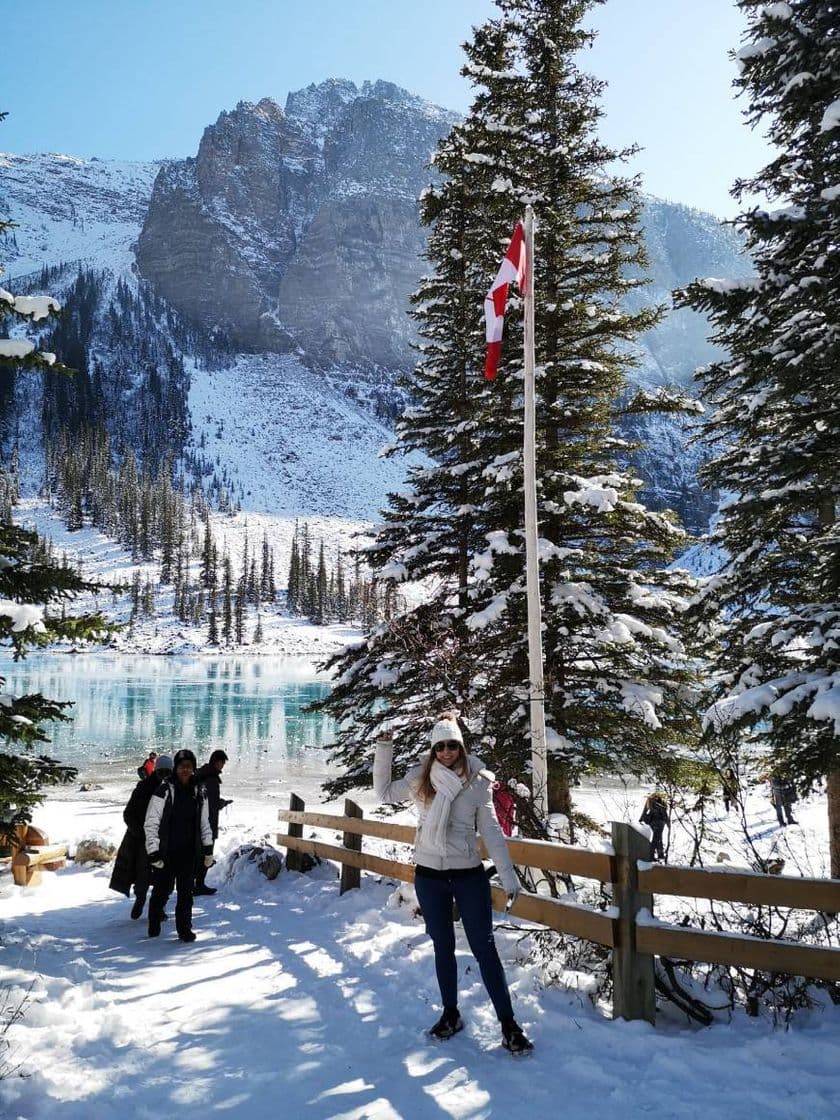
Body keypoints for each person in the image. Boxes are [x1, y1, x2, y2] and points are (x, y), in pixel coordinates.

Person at [374, 715, 533, 1055]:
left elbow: (491, 832)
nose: (446, 752)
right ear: (433, 750)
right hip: (430, 877)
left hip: (467, 876)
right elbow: (384, 792)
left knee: (484, 948)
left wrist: (507, 875)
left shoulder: (477, 783)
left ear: (461, 747)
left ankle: (508, 1024)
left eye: (452, 745)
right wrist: (384, 747)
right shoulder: (420, 780)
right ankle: (450, 1014)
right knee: (442, 946)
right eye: (440, 746)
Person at [144, 748, 214, 942]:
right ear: (176, 768)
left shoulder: (200, 790)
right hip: (167, 851)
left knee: (186, 894)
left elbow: (204, 823)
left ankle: (185, 929)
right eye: (182, 766)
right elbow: (151, 821)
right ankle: (154, 921)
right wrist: (153, 851)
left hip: (188, 851)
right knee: (161, 890)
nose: (185, 770)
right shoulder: (164, 790)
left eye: (189, 767)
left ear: (193, 768)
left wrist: (208, 850)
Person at [110, 754, 173, 919]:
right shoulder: (143, 788)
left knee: (164, 876)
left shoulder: (174, 790)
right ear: (156, 771)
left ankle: (159, 907)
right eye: (162, 772)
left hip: (165, 840)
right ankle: (140, 898)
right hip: (142, 839)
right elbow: (128, 813)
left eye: (168, 772)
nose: (164, 776)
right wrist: (140, 832)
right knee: (142, 873)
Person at [194, 749, 232, 896]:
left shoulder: (203, 774)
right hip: (207, 823)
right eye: (222, 762)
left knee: (199, 854)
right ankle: (199, 885)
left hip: (199, 822)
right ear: (216, 762)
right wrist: (221, 804)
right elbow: (211, 803)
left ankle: (195, 884)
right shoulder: (211, 778)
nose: (222, 766)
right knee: (206, 854)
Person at [639, 792, 669, 861]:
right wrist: (668, 823)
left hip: (652, 822)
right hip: (660, 823)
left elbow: (645, 810)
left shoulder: (650, 800)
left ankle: (659, 855)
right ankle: (653, 855)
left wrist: (641, 819)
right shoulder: (662, 802)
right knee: (657, 839)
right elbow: (665, 813)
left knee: (657, 838)